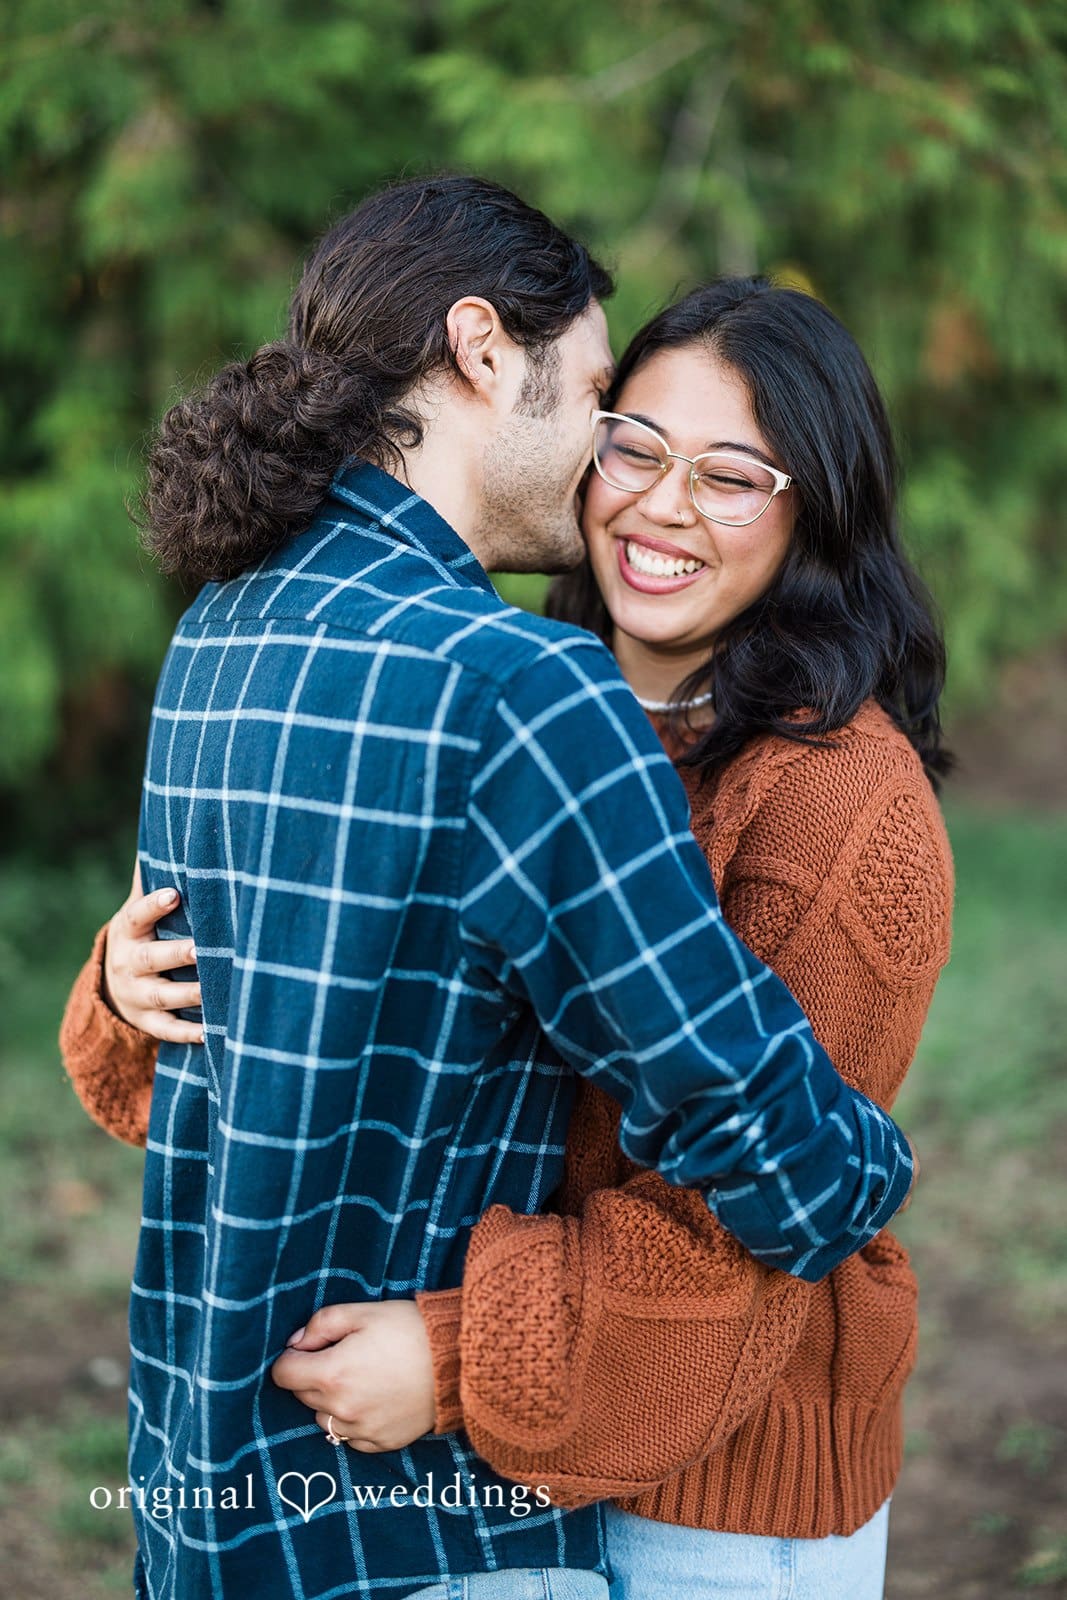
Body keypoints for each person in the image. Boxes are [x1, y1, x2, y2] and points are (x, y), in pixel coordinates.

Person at [60, 179, 918, 1600]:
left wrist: (118, 1002)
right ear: (480, 349)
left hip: (206, 1502)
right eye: (602, 403)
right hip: (420, 1528)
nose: (605, 461)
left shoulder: (219, 627)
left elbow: (255, 1037)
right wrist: (872, 1174)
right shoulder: (522, 690)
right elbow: (774, 1148)